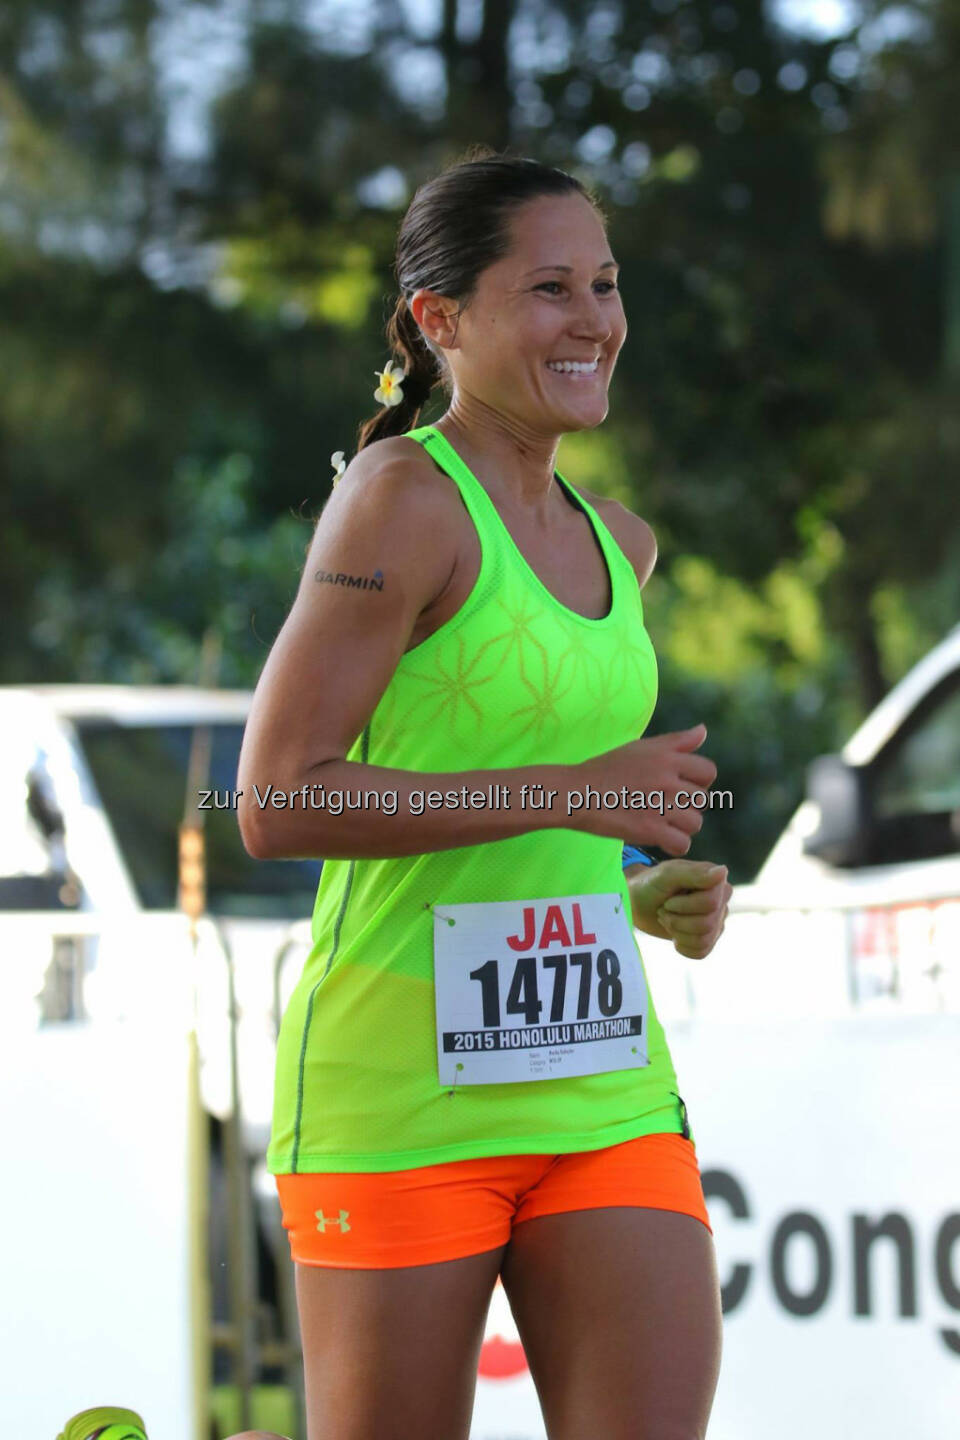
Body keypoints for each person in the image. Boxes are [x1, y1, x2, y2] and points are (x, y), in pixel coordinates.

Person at [235, 149, 732, 1440]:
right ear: (439, 321)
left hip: (602, 1079)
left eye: (605, 285)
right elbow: (277, 800)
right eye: (549, 288)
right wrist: (573, 791)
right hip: (400, 1090)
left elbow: (525, 814)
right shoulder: (399, 500)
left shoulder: (621, 542)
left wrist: (630, 889)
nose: (594, 320)